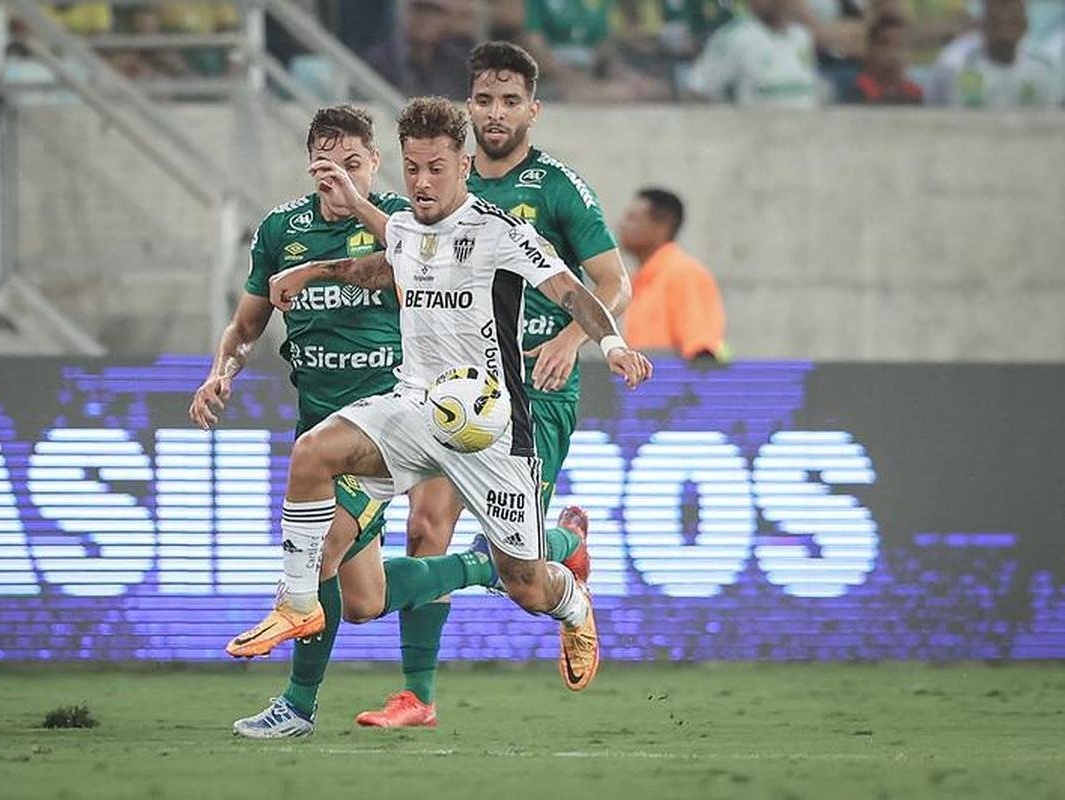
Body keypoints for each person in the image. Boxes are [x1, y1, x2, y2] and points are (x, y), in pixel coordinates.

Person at [248, 95, 652, 715]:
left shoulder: (501, 232)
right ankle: (297, 604)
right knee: (312, 453)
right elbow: (383, 264)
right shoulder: (406, 225)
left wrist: (613, 342)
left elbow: (572, 290)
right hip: (416, 408)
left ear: (463, 165)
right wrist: (315, 273)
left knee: (523, 582)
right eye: (412, 168)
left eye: (436, 168)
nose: (422, 182)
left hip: (490, 428)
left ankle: (569, 596)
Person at [189, 106, 514, 738]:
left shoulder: (404, 221)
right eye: (324, 166)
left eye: (352, 164)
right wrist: (221, 370)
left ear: (375, 163)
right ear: (309, 165)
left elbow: (423, 274)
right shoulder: (282, 230)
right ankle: (486, 567)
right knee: (364, 601)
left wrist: (356, 217)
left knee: (322, 554)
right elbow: (247, 322)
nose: (337, 177)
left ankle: (297, 707)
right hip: (320, 424)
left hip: (389, 428)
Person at [618, 188, 727, 363]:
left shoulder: (684, 273)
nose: (621, 224)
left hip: (673, 389)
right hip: (645, 388)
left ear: (662, 225)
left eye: (632, 218)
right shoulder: (640, 281)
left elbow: (702, 354)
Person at [685, 0, 822, 107]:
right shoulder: (734, 37)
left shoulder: (802, 36)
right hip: (754, 137)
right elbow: (698, 92)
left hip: (805, 135)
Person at [928, 0, 1060, 107]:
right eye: (996, 22)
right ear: (982, 24)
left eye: (1013, 22)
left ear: (1024, 25)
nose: (1004, 31)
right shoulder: (953, 67)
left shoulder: (1042, 71)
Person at [365, 0, 474, 99]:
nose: (426, 19)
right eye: (419, 10)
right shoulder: (382, 60)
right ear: (405, 14)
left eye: (435, 13)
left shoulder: (456, 62)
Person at [844, 12, 924, 103]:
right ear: (870, 49)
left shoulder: (916, 94)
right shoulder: (853, 92)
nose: (894, 53)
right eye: (885, 44)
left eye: (901, 45)